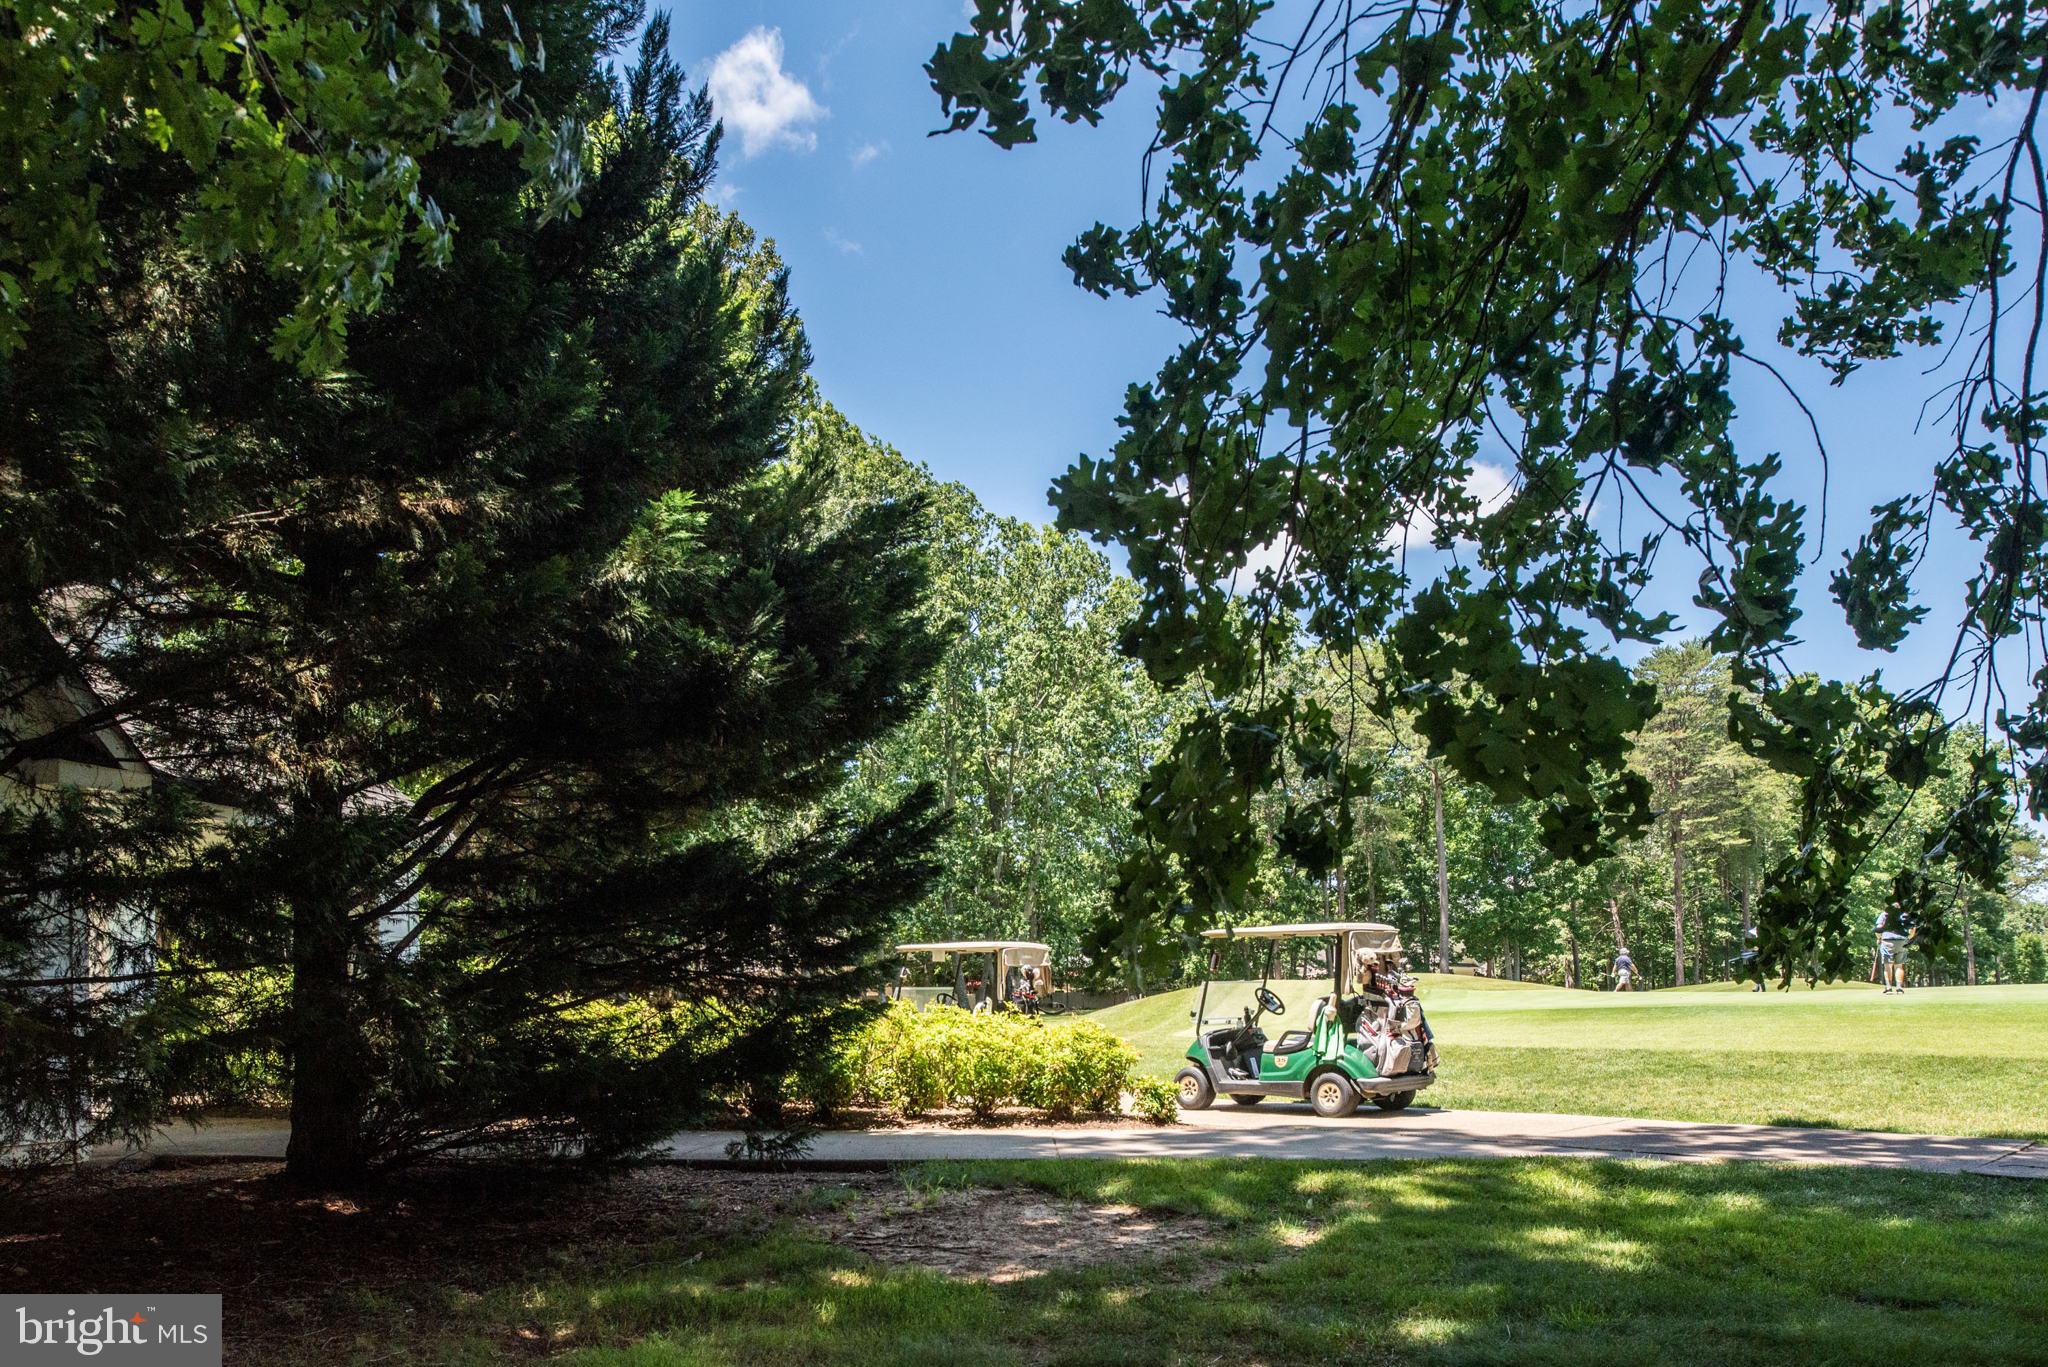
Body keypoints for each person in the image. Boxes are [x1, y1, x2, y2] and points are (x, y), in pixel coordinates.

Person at [1876, 905, 1915, 995]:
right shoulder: (1905, 915)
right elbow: (1912, 929)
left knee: (1887, 965)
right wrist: (1908, 938)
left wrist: (1879, 938)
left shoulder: (1885, 914)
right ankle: (1899, 988)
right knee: (1899, 965)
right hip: (1902, 941)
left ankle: (1889, 987)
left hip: (1887, 941)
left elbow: (1878, 929)